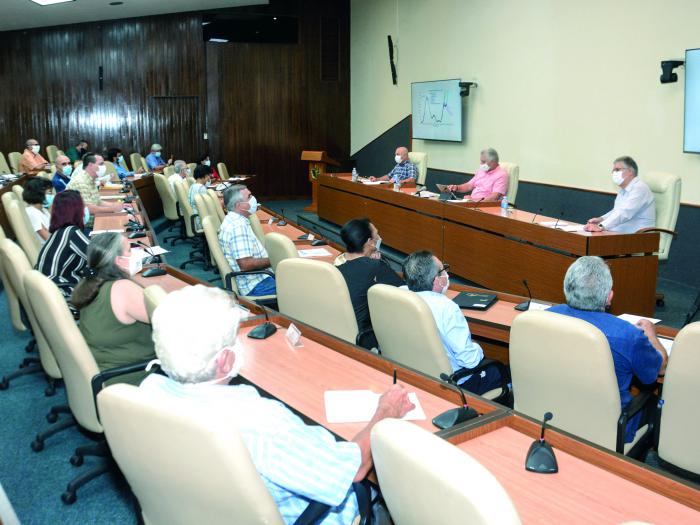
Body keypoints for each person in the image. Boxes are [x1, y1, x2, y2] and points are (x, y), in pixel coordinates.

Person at [140, 284, 414, 524]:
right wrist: (385, 412)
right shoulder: (260, 420)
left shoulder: (148, 390)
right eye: (234, 339)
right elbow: (353, 469)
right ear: (224, 359)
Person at [547, 256, 666, 443]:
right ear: (609, 296)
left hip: (552, 415)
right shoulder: (628, 335)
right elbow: (659, 369)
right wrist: (652, 336)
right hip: (609, 430)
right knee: (653, 402)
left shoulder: (546, 318)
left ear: (566, 288)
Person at [403, 250, 502, 395]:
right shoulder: (447, 308)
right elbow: (470, 361)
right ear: (437, 280)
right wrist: (477, 347)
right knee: (499, 370)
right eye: (443, 270)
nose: (446, 274)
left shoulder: (401, 296)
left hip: (415, 373)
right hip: (455, 384)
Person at [71, 232, 155, 385]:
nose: (134, 253)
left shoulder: (89, 285)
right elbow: (168, 319)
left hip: (102, 370)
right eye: (129, 250)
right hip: (134, 375)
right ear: (119, 260)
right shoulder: (123, 289)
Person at [336, 218, 403, 349]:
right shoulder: (375, 267)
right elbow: (407, 293)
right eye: (376, 234)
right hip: (363, 338)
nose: (379, 238)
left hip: (338, 330)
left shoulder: (337, 265)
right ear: (369, 242)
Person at [35, 190, 89, 309]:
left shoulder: (58, 232)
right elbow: (98, 257)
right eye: (82, 206)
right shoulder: (71, 232)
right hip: (63, 297)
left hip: (49, 294)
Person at [219, 184, 275, 297]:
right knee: (303, 283)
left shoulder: (233, 219)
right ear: (239, 206)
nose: (253, 199)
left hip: (259, 279)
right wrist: (276, 259)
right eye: (249, 197)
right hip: (257, 285)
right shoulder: (238, 227)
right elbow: (246, 265)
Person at [584, 156, 655, 233]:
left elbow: (624, 213)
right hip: (621, 235)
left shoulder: (640, 188)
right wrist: (601, 219)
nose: (613, 173)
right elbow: (616, 211)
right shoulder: (623, 190)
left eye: (617, 170)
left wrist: (600, 226)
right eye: (613, 170)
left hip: (639, 237)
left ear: (630, 171)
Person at [23, 177, 54, 244]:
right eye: (49, 192)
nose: (52, 195)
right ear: (39, 193)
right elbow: (48, 239)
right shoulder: (32, 213)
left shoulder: (42, 209)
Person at [188, 164, 212, 229]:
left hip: (194, 218)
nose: (209, 179)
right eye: (209, 176)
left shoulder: (192, 186)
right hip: (201, 220)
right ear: (205, 175)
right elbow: (208, 206)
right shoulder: (201, 188)